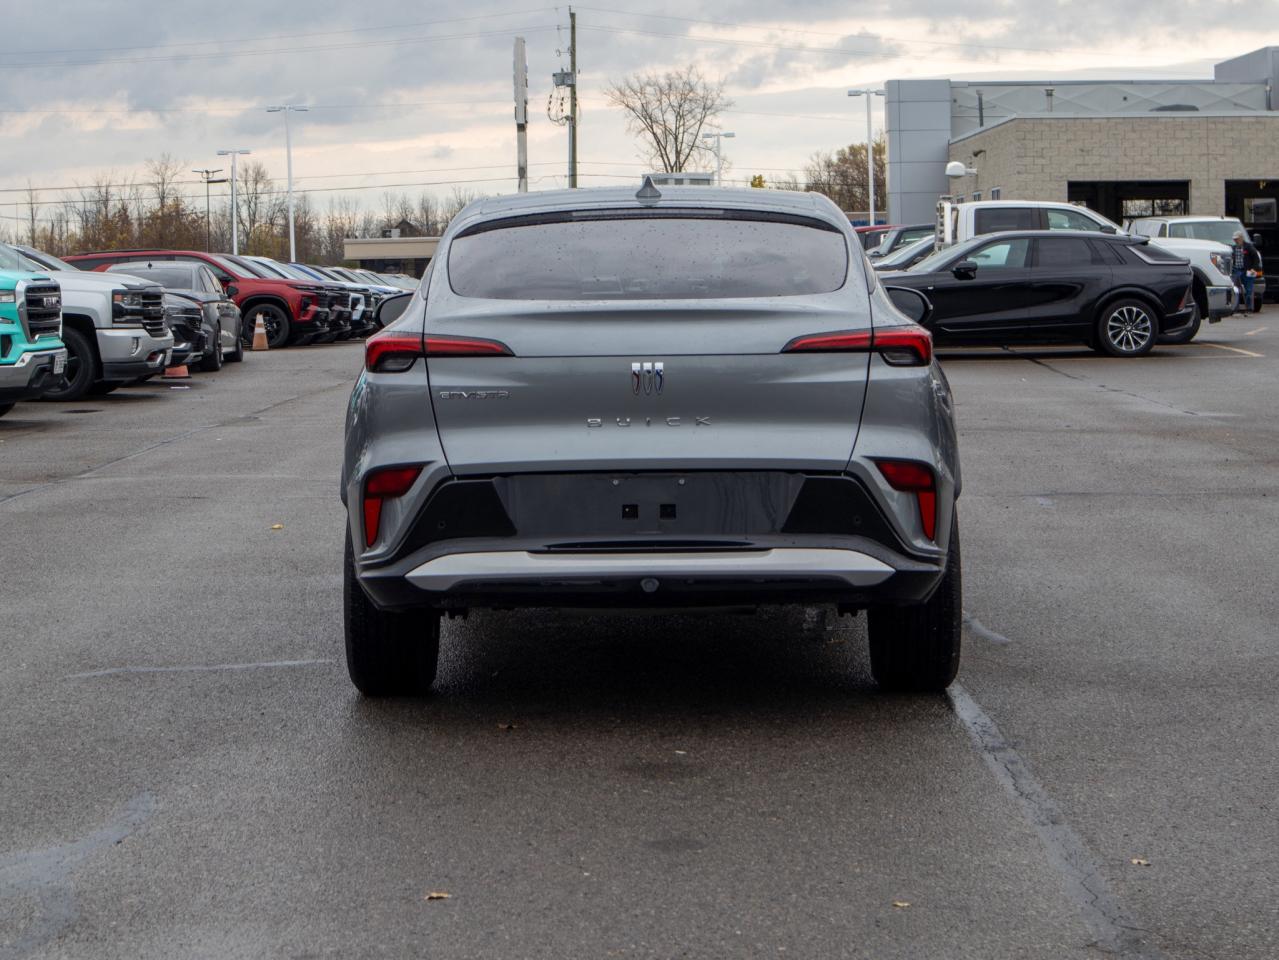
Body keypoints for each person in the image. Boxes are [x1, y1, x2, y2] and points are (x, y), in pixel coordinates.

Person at [1231, 231, 1262, 314]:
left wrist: (1253, 268)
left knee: (1249, 290)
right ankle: (1235, 308)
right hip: (1236, 271)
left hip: (1248, 271)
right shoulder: (1233, 248)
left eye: (1237, 239)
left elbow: (1256, 259)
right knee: (1235, 290)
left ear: (1241, 238)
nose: (1236, 241)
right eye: (1235, 239)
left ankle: (1248, 308)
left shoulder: (1249, 247)